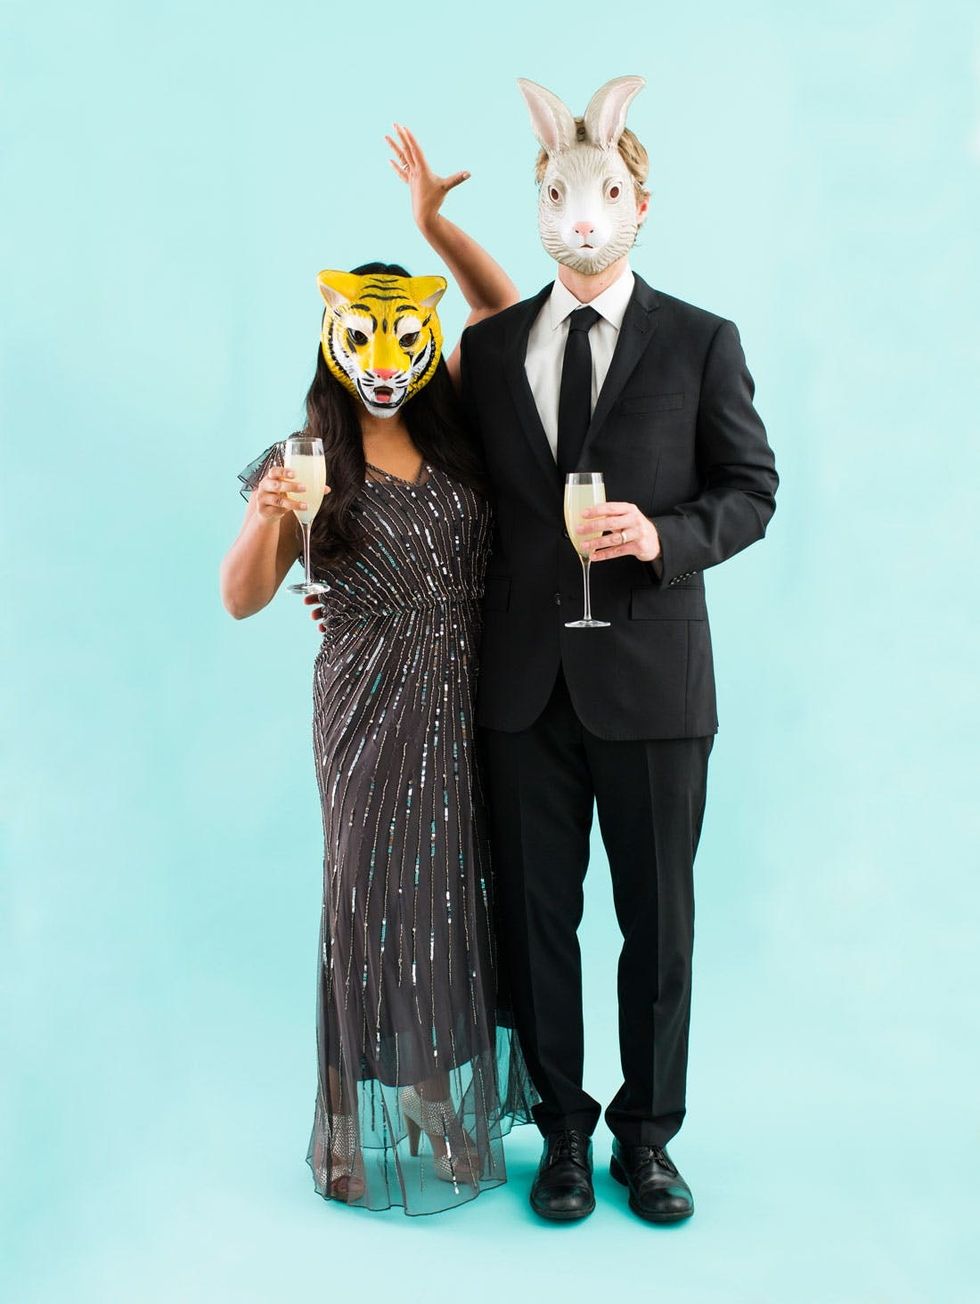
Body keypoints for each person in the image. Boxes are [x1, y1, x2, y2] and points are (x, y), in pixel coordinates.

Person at [452, 76, 779, 1223]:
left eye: (605, 197)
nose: (582, 218)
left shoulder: (699, 341)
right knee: (533, 917)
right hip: (519, 684)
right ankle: (558, 1131)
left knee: (657, 921)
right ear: (541, 202)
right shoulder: (488, 348)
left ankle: (646, 1139)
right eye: (559, 195)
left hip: (650, 680)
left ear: (639, 204)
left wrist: (663, 537)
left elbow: (750, 488)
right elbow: (448, 487)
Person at [221, 125, 536, 1216]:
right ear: (334, 340)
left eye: (406, 336)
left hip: (469, 695)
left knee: (454, 896)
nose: (388, 359)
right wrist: (267, 518)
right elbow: (241, 597)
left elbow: (505, 312)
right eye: (367, 338)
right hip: (364, 706)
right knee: (372, 897)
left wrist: (433, 224)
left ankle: (432, 1095)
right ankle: (378, 1102)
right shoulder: (304, 457)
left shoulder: (457, 425)